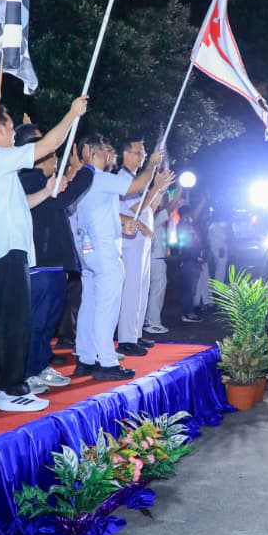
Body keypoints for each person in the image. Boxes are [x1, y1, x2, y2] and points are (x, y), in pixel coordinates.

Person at [0, 96, 86, 411]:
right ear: (0, 130)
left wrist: (47, 191)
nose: (13, 133)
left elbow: (21, 204)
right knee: (14, 322)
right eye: (9, 127)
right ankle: (12, 389)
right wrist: (72, 114)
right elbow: (48, 144)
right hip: (7, 250)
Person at [71, 133, 163, 379]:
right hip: (104, 250)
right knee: (107, 306)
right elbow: (136, 186)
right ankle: (107, 362)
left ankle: (86, 357)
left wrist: (123, 225)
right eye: (105, 150)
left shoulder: (82, 179)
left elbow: (100, 213)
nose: (109, 154)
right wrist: (152, 164)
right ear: (92, 152)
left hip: (88, 248)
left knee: (90, 304)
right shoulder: (99, 177)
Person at [16, 122, 94, 392]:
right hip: (41, 260)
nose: (56, 160)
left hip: (53, 261)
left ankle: (40, 365)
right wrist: (88, 170)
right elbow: (62, 199)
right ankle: (28, 371)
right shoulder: (29, 179)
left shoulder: (39, 179)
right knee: (37, 321)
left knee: (48, 321)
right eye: (51, 155)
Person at [115, 137, 174, 357]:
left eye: (143, 153)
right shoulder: (123, 179)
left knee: (142, 288)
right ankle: (126, 339)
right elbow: (137, 208)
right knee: (131, 289)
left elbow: (150, 207)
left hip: (143, 241)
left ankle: (136, 333)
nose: (142, 157)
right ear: (126, 154)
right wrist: (154, 187)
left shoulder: (137, 180)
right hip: (130, 241)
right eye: (138, 153)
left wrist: (160, 189)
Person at [144, 192, 174, 335]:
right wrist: (179, 190)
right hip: (156, 259)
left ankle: (148, 321)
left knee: (151, 291)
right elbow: (170, 207)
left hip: (153, 258)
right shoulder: (154, 217)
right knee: (157, 291)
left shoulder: (151, 216)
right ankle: (153, 323)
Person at [174, 204, 204, 323]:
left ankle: (188, 311)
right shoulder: (183, 226)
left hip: (190, 259)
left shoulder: (184, 225)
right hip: (189, 260)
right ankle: (187, 313)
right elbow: (189, 245)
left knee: (190, 288)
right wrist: (195, 257)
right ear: (187, 213)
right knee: (188, 288)